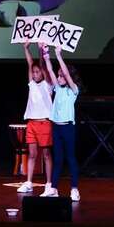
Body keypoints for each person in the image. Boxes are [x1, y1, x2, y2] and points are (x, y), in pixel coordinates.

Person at [42, 44, 84, 201]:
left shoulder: (73, 90)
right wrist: (46, 55)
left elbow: (65, 72)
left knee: (70, 158)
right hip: (56, 128)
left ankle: (74, 189)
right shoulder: (58, 88)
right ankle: (53, 188)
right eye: (58, 76)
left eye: (62, 76)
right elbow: (50, 71)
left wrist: (58, 55)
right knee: (58, 159)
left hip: (68, 128)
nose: (59, 78)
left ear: (68, 77)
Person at [16, 42, 54, 194]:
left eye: (38, 72)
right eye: (34, 72)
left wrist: (40, 50)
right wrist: (25, 48)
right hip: (31, 123)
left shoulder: (48, 85)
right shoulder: (32, 84)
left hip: (45, 123)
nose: (35, 74)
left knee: (46, 154)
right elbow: (30, 63)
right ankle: (29, 182)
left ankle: (49, 184)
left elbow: (42, 65)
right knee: (31, 154)